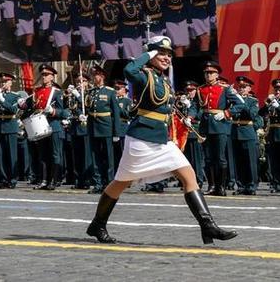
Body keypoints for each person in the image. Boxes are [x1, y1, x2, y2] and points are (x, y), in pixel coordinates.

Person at [86, 36, 237, 245]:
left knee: (188, 175)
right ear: (151, 55)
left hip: (161, 139)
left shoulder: (161, 79)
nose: (166, 57)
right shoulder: (144, 75)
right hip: (141, 138)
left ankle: (207, 226)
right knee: (121, 183)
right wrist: (148, 53)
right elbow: (129, 70)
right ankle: (97, 224)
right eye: (161, 53)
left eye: (168, 54)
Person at [196, 61, 242, 196]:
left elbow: (240, 104)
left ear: (217, 75)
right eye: (206, 73)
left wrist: (226, 113)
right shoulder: (201, 89)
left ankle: (221, 186)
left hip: (220, 126)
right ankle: (211, 186)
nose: (208, 75)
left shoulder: (225, 89)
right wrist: (190, 116)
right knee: (208, 158)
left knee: (220, 158)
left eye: (211, 73)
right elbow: (195, 106)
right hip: (205, 126)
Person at [26, 65, 65, 190]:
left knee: (55, 154)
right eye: (42, 74)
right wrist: (23, 104)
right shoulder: (37, 91)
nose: (44, 77)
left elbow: (64, 112)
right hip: (40, 125)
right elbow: (32, 107)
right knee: (43, 155)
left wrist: (53, 111)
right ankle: (43, 180)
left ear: (52, 77)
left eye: (46, 75)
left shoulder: (57, 92)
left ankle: (54, 180)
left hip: (53, 125)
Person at [87, 64, 118, 193]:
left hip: (106, 127)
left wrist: (116, 132)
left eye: (96, 75)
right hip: (93, 126)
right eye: (93, 75)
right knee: (96, 157)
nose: (94, 77)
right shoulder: (91, 92)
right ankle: (98, 182)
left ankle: (109, 183)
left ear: (102, 76)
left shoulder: (110, 92)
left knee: (108, 157)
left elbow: (115, 113)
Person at [228, 76, 261, 195]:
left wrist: (241, 102)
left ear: (249, 88)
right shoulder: (233, 100)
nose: (241, 89)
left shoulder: (253, 101)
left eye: (244, 87)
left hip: (247, 132)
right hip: (235, 132)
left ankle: (251, 185)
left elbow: (252, 115)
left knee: (250, 161)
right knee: (238, 161)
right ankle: (241, 185)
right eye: (240, 87)